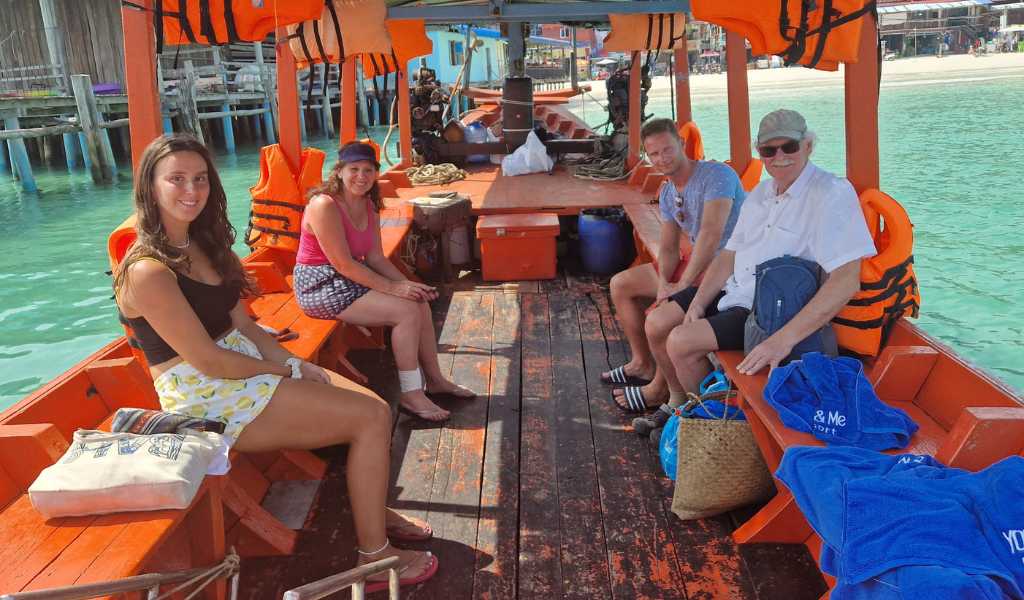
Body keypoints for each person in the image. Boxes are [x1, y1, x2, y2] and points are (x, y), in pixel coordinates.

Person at [113, 134, 437, 592]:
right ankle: (376, 557)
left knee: (371, 405)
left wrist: (294, 362)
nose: (192, 190)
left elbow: (243, 326)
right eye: (177, 180)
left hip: (242, 364)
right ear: (151, 187)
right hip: (205, 394)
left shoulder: (204, 246)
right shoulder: (148, 270)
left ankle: (373, 506)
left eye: (200, 179)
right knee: (369, 418)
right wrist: (282, 372)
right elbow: (207, 359)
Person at [664, 109, 877, 395]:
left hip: (767, 313)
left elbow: (846, 280)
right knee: (657, 321)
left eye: (789, 147)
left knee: (680, 341)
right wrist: (700, 302)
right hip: (734, 293)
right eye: (768, 150)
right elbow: (729, 255)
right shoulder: (761, 193)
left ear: (808, 146)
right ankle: (677, 404)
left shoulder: (830, 194)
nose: (779, 157)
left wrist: (782, 340)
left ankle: (711, 419)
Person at [294, 141, 472, 422]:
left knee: (418, 302)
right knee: (405, 312)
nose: (361, 177)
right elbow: (342, 263)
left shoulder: (369, 204)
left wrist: (410, 286)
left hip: (352, 278)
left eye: (368, 170)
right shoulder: (324, 205)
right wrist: (394, 288)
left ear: (376, 174)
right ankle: (411, 394)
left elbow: (375, 257)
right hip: (321, 284)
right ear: (339, 171)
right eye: (354, 169)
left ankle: (435, 380)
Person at [602, 118, 745, 422]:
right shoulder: (668, 192)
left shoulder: (716, 176)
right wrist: (666, 282)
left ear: (681, 143)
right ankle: (642, 364)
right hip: (693, 262)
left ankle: (667, 393)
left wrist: (684, 283)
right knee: (621, 284)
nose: (661, 159)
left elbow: (710, 234)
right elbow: (667, 247)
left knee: (658, 320)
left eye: (667, 150)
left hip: (726, 270)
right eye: (653, 154)